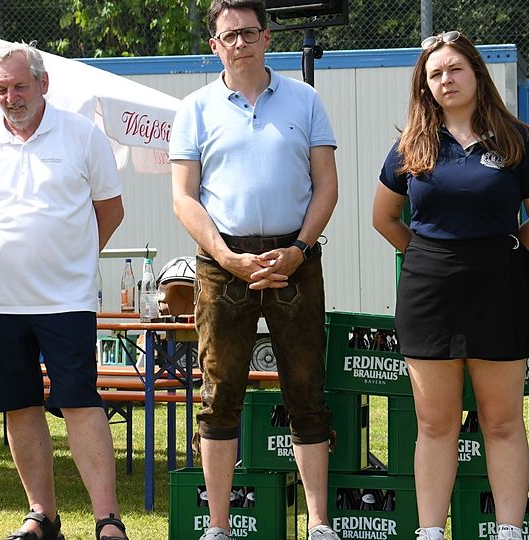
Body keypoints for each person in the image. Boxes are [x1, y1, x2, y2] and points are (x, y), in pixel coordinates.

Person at [371, 31, 529, 540]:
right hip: (429, 294)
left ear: (476, 73)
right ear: (424, 85)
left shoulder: (517, 139)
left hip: (501, 289)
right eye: (435, 74)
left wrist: (502, 252)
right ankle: (430, 531)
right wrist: (428, 256)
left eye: (455, 69)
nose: (446, 79)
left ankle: (509, 531)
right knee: (435, 424)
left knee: (502, 422)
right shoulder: (411, 144)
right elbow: (384, 218)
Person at [169, 1, 340, 539]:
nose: (239, 43)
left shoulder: (305, 99)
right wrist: (227, 258)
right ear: (214, 46)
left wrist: (300, 249)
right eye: (229, 36)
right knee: (219, 395)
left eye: (248, 32)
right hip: (222, 266)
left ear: (267, 37)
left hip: (295, 261)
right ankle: (218, 526)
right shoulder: (194, 108)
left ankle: (319, 524)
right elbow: (184, 197)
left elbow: (327, 185)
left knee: (306, 391)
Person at [0, 42, 127, 540]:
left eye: (19, 86)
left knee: (80, 402)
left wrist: (70, 257)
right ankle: (42, 517)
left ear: (43, 84)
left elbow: (110, 211)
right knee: (19, 405)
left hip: (66, 300)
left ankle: (107, 520)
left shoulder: (83, 135)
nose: (11, 97)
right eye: (1, 89)